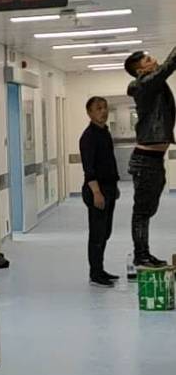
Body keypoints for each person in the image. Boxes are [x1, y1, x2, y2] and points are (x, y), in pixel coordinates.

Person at [124, 47, 176, 267]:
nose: (153, 60)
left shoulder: (151, 84)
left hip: (153, 160)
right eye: (147, 60)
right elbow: (168, 66)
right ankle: (141, 255)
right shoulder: (145, 84)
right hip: (145, 161)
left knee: (148, 210)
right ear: (140, 70)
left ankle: (143, 253)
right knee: (142, 212)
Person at [79, 96, 119, 285]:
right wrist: (97, 192)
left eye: (105, 107)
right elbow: (89, 169)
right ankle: (95, 273)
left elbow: (109, 162)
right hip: (96, 190)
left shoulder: (105, 133)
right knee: (97, 234)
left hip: (109, 188)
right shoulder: (88, 137)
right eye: (98, 108)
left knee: (105, 232)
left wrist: (114, 187)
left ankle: (100, 269)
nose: (103, 111)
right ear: (89, 113)